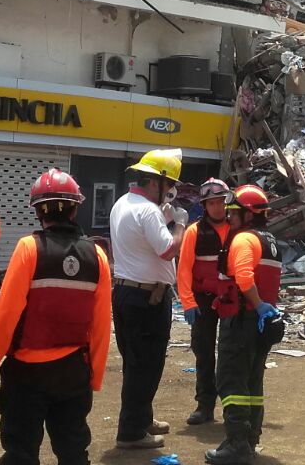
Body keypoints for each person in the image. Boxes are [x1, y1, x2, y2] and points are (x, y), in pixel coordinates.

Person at [0, 168, 112, 465]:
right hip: (74, 372)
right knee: (73, 453)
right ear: (75, 209)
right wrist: (95, 376)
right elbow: (101, 324)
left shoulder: (29, 248)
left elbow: (5, 314)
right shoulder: (97, 256)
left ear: (38, 211)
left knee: (21, 453)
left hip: (27, 374)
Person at [109, 149, 185, 449]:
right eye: (170, 185)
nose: (171, 191)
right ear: (155, 183)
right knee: (146, 365)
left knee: (135, 362)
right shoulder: (148, 211)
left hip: (128, 293)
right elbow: (167, 250)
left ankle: (142, 418)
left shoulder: (123, 203)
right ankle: (131, 432)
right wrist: (180, 224)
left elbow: (141, 242)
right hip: (147, 298)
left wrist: (162, 218)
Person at [206, 185, 284, 465]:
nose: (229, 216)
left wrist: (257, 304)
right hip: (262, 325)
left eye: (234, 211)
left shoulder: (244, 240)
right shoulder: (271, 243)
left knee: (231, 381)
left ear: (248, 214)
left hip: (241, 320)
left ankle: (237, 444)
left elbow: (244, 278)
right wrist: (263, 307)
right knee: (252, 381)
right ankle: (250, 440)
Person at [177, 178, 232, 426]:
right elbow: (184, 269)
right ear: (205, 205)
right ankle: (205, 406)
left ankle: (232, 406)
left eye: (220, 202)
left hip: (230, 298)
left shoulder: (236, 229)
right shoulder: (194, 232)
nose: (217, 207)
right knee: (204, 352)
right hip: (203, 299)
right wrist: (188, 303)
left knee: (231, 353)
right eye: (212, 203)